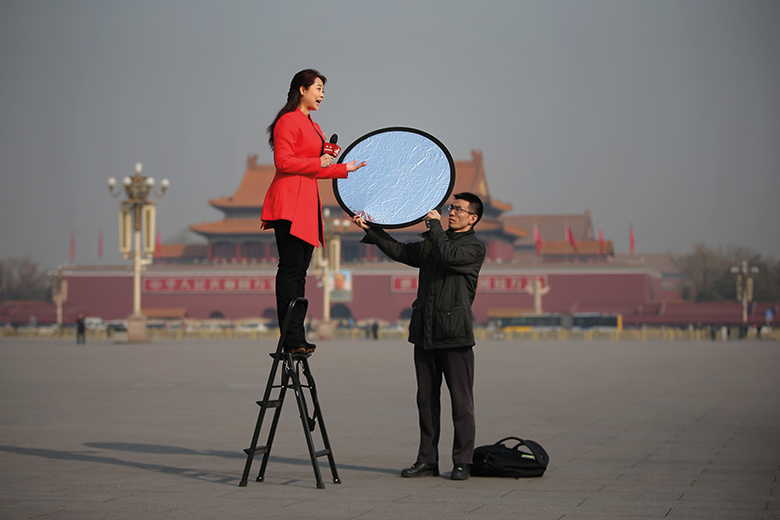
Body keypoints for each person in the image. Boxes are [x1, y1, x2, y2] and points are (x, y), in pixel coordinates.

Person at [352, 192, 486, 481]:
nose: (452, 213)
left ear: (472, 218)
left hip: (455, 335)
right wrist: (372, 231)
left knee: (461, 402)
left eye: (458, 210)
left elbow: (450, 256)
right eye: (451, 208)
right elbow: (401, 252)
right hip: (424, 331)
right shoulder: (432, 242)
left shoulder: (474, 248)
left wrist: (435, 227)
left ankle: (463, 461)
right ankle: (427, 460)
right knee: (426, 400)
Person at [261, 69, 366, 355]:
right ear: (302, 89)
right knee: (291, 269)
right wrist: (319, 161)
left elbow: (317, 167)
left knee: (301, 273)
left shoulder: (315, 126)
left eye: (323, 90)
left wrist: (345, 168)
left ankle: (297, 335)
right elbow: (283, 162)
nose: (321, 95)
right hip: (288, 201)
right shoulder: (288, 121)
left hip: (307, 202)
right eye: (318, 88)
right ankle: (291, 338)